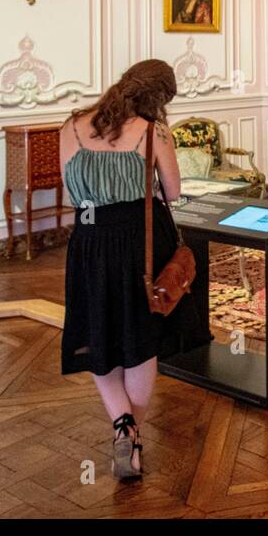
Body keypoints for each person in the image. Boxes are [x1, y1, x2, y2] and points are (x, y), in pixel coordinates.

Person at [58, 59, 206, 480]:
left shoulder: (70, 127)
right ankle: (131, 432)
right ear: (157, 97)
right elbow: (173, 191)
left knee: (99, 333)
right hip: (142, 242)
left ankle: (122, 425)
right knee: (141, 338)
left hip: (89, 241)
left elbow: (74, 193)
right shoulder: (152, 129)